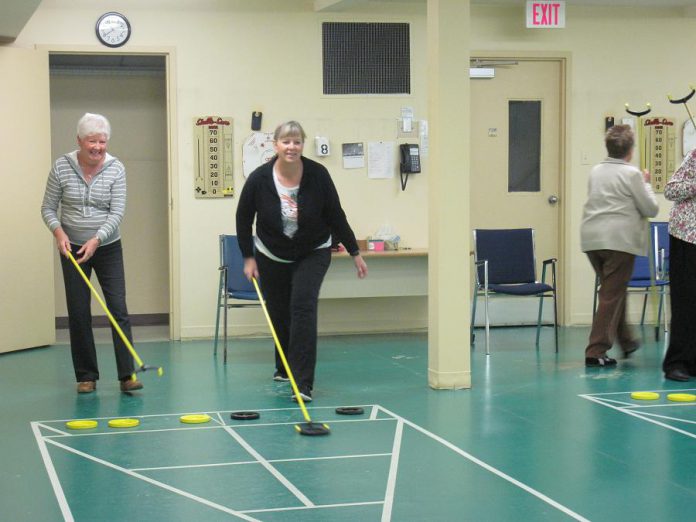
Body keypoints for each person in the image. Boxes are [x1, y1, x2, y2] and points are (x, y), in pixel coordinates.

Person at [236, 120, 368, 402]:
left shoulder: (318, 174)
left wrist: (355, 252)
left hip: (313, 250)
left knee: (303, 307)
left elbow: (335, 214)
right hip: (271, 252)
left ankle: (302, 383)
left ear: (302, 145)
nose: (291, 147)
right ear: (276, 145)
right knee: (279, 311)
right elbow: (243, 218)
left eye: (296, 141)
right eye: (286, 141)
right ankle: (283, 367)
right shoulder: (259, 179)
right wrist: (248, 257)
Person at [41, 113, 142, 394]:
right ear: (79, 141)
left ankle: (127, 375)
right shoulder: (62, 166)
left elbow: (117, 211)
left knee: (118, 308)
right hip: (71, 248)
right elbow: (48, 208)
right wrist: (59, 233)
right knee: (78, 312)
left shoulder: (116, 168)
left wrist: (97, 239)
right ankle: (86, 376)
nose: (98, 147)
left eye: (103, 141)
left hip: (107, 247)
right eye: (92, 141)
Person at [580, 124, 659, 367]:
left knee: (613, 290)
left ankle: (627, 341)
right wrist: (646, 183)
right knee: (611, 293)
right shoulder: (632, 174)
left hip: (592, 238)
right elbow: (651, 209)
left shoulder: (596, 171)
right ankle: (596, 351)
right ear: (630, 150)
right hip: (619, 241)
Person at [662, 147, 696, 381]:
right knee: (686, 301)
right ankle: (677, 362)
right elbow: (670, 190)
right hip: (687, 235)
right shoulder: (695, 156)